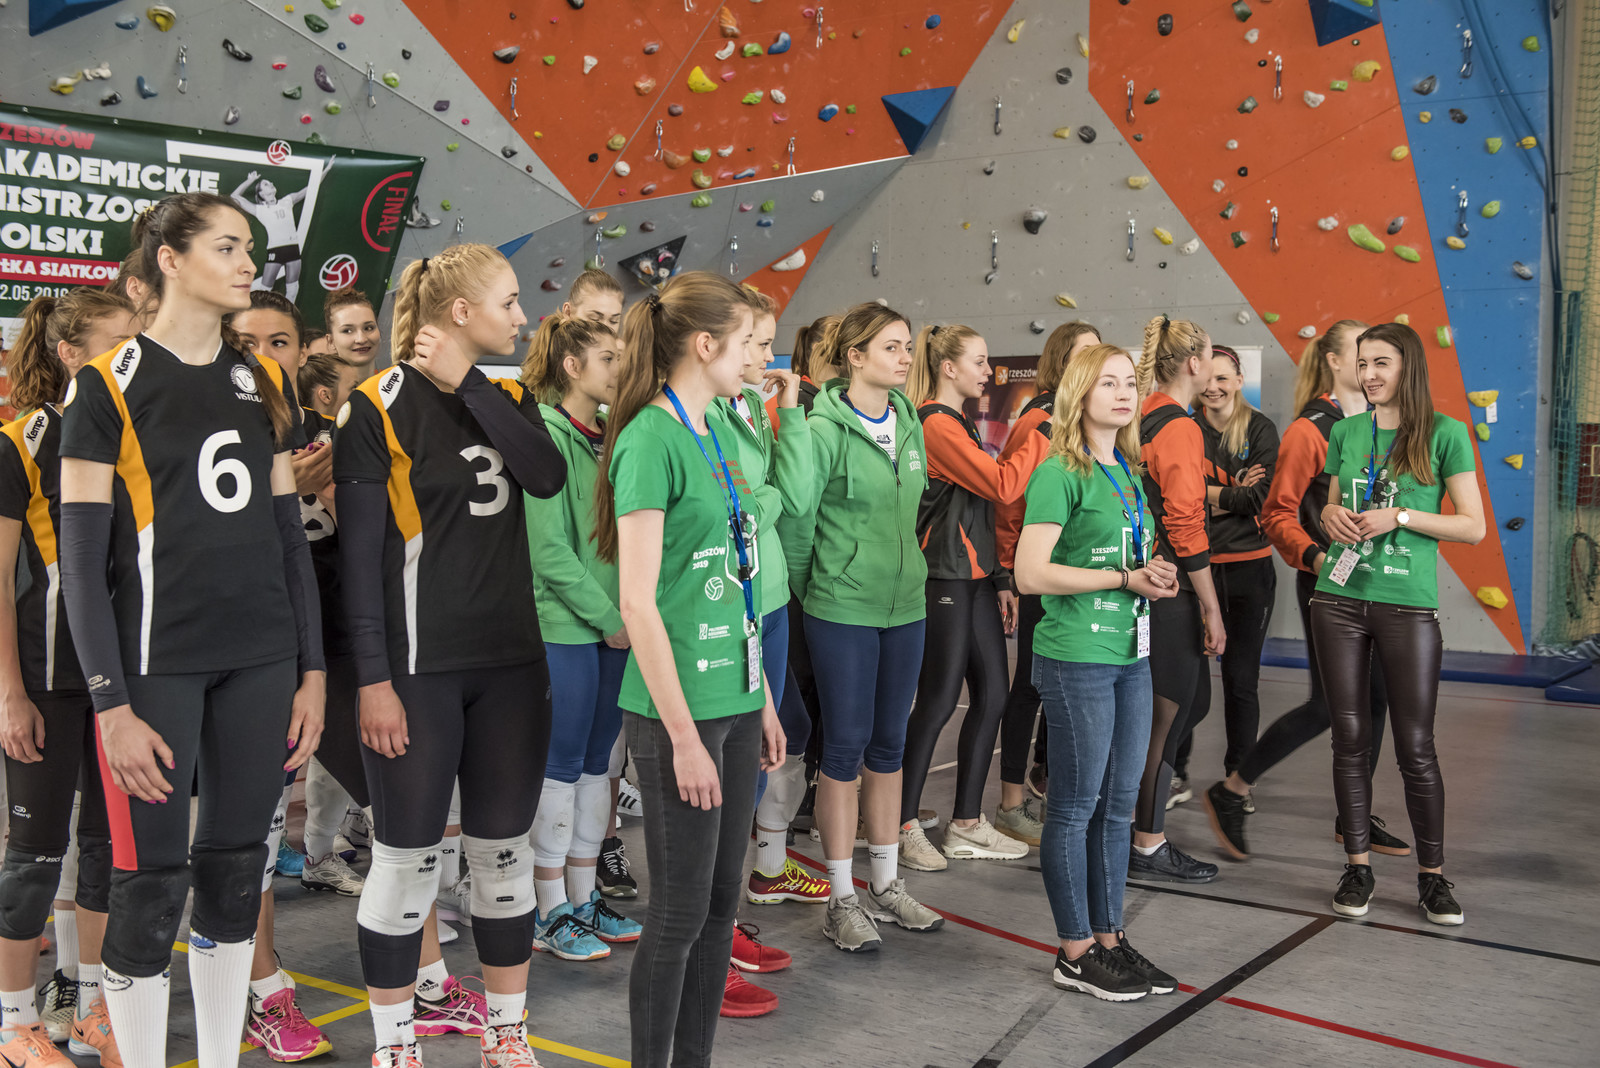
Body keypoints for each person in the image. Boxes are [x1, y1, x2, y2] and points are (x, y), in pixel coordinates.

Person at [56, 192, 325, 1068]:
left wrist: (312, 670)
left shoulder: (263, 380)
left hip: (261, 662)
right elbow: (82, 566)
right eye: (228, 246)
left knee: (237, 874)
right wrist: (110, 707)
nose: (250, 264)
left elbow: (289, 537)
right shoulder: (105, 385)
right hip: (154, 669)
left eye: (251, 247)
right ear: (170, 259)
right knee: (147, 886)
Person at [334, 243, 567, 1065]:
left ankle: (508, 1036)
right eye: (509, 302)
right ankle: (395, 1047)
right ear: (461, 311)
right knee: (406, 865)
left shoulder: (506, 397)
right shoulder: (375, 407)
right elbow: (361, 563)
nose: (522, 318)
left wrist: (470, 385)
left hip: (512, 666)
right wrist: (373, 680)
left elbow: (546, 477)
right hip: (417, 673)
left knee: (504, 859)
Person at [593, 271, 784, 1067]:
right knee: (676, 915)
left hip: (736, 699)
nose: (757, 358)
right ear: (705, 345)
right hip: (680, 714)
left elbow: (739, 582)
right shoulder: (649, 438)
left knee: (716, 907)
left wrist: (762, 699)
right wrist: (682, 738)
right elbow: (638, 605)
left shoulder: (720, 430)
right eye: (746, 343)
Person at [1202, 321, 1406, 860]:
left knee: (1378, 699)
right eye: (1359, 352)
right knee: (1328, 707)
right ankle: (1232, 790)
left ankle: (1354, 817)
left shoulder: (1379, 424)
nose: (1369, 362)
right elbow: (1276, 514)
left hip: (1378, 584)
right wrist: (1317, 558)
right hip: (1328, 586)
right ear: (1335, 362)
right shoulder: (1310, 430)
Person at [1016, 342, 1182, 1002]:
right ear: (1079, 393)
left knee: (1118, 807)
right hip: (1075, 658)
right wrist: (1121, 578)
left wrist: (1153, 574)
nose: (1123, 393)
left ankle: (1110, 939)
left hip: (1130, 656)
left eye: (1129, 383)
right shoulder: (1059, 472)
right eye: (1107, 383)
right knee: (1076, 806)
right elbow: (1030, 573)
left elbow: (1128, 556)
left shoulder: (1129, 474)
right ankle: (1075, 951)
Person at [0, 290, 134, 1065]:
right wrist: (10, 695)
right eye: (117, 343)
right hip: (44, 681)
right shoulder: (22, 441)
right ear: (71, 354)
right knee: (33, 857)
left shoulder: (133, 433)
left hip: (116, 681)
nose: (132, 354)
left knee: (108, 850)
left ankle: (91, 1009)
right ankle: (14, 1023)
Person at [1310, 322, 1482, 925]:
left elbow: (1472, 526)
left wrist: (1402, 516)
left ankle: (1432, 878)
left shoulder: (1446, 434)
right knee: (1349, 740)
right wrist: (1330, 515)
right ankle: (1358, 867)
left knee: (1415, 746)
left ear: (1408, 366)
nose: (1369, 375)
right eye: (1362, 364)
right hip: (1337, 600)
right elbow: (1334, 502)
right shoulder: (1346, 431)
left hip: (1408, 606)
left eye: (1381, 362)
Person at [226, 293, 358, 1059]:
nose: (263, 357)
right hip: (201, 653)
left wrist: (329, 490)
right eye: (247, 342)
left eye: (279, 342)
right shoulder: (192, 422)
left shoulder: (315, 429)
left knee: (260, 826)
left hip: (294, 646)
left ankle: (264, 985)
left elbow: (335, 547)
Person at [793, 302, 943, 953]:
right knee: (844, 750)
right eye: (890, 347)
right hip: (840, 608)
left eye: (907, 346)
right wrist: (821, 589)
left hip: (905, 607)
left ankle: (885, 885)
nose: (905, 358)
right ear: (854, 356)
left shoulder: (909, 422)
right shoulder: (821, 429)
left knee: (890, 746)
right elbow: (797, 528)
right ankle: (841, 898)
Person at [518, 313, 644, 964]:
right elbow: (549, 552)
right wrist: (611, 618)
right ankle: (547, 912)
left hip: (613, 630)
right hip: (568, 628)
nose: (620, 369)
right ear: (572, 367)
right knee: (561, 768)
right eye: (608, 359)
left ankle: (584, 896)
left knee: (600, 767)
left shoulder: (612, 435)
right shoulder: (543, 434)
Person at [897, 323, 1043, 870]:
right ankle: (900, 825)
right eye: (979, 362)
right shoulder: (935, 422)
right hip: (943, 578)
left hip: (974, 577)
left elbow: (981, 509)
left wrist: (1000, 578)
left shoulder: (958, 421)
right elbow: (1004, 486)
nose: (988, 371)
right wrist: (1045, 433)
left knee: (994, 695)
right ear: (948, 367)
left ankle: (965, 824)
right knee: (937, 702)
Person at [716, 291, 812, 1013]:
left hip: (768, 596)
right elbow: (746, 507)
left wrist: (793, 413)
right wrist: (767, 497)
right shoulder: (696, 415)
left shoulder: (753, 406)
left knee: (756, 762)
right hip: (726, 605)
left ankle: (721, 923)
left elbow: (795, 494)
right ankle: (705, 941)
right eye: (754, 342)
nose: (765, 357)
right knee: (720, 779)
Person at [994, 322, 1102, 840]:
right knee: (1030, 687)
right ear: (1061, 361)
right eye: (1085, 353)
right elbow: (1010, 500)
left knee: (1064, 684)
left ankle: (1044, 782)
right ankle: (1011, 803)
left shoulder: (1083, 419)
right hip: (1040, 575)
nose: (1095, 362)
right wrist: (1010, 575)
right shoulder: (1040, 419)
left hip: (1077, 574)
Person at [1128, 316, 1222, 884]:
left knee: (1189, 706)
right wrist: (1211, 605)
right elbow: (1186, 524)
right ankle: (1146, 840)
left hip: (1148, 581)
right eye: (1210, 358)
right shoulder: (1180, 426)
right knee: (1165, 719)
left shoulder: (1143, 415)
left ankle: (1132, 825)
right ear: (1193, 363)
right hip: (1170, 587)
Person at [1168, 346, 1278, 799]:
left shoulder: (1261, 428)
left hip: (1251, 570)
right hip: (1197, 570)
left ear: (1238, 380)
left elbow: (1258, 500)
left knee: (1241, 681)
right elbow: (1176, 499)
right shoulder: (1185, 428)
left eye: (1223, 378)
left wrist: (1203, 492)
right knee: (1185, 681)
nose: (1213, 387)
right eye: (1207, 379)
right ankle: (1173, 774)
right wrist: (1229, 491)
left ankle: (1237, 783)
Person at [228, 160, 332, 301]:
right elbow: (233, 197)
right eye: (266, 184)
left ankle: (289, 315)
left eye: (270, 182)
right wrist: (250, 180)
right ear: (261, 193)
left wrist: (327, 169)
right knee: (265, 291)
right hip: (275, 251)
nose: (270, 183)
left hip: (293, 249)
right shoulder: (260, 210)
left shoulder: (287, 201)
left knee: (293, 291)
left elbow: (312, 187)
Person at [325, 287, 381, 371]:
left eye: (368, 328)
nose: (361, 339)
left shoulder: (399, 376)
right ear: (331, 341)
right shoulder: (319, 381)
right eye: (347, 331)